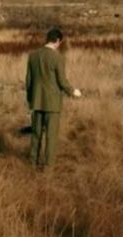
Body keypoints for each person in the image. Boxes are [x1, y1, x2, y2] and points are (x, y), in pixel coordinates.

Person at [26, 27, 81, 168]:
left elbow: (28, 81)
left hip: (36, 101)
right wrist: (73, 91)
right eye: (60, 42)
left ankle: (32, 163)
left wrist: (30, 100)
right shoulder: (58, 58)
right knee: (51, 136)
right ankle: (48, 168)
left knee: (36, 134)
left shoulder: (32, 55)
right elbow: (62, 82)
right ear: (57, 40)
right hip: (53, 103)